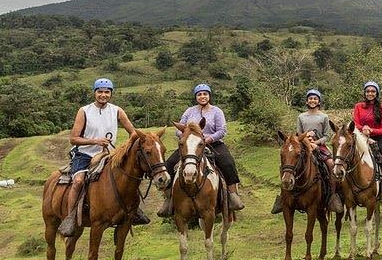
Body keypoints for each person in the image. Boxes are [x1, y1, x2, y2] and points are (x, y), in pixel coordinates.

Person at [58, 78, 149, 236]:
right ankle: (70, 217)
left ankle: (133, 210)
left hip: (109, 154)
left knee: (128, 177)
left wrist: (124, 147)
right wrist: (95, 140)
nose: (103, 95)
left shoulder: (117, 111)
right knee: (78, 181)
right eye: (100, 92)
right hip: (85, 154)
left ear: (111, 94)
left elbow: (133, 132)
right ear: (94, 93)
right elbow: (73, 138)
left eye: (107, 92)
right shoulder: (84, 111)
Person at [158, 83, 244, 217]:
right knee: (168, 164)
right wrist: (187, 137)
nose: (202, 96)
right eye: (199, 94)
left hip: (212, 143)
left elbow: (222, 130)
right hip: (191, 145)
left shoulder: (217, 111)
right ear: (195, 97)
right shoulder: (189, 111)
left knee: (228, 163)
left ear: (209, 96)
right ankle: (169, 199)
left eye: (205, 94)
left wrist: (208, 139)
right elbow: (178, 129)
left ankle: (233, 196)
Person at [271, 89, 344, 214]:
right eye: (310, 98)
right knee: (285, 166)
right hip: (303, 146)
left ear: (319, 101)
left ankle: (332, 197)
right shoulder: (301, 116)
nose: (313, 100)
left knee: (331, 164)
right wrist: (305, 140)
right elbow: (298, 133)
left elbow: (326, 135)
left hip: (319, 147)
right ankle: (283, 196)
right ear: (307, 101)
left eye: (315, 98)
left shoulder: (324, 117)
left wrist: (316, 143)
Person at [352, 81, 382, 207]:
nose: (370, 93)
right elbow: (355, 123)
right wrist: (363, 129)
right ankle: (343, 190)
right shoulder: (358, 106)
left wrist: (371, 130)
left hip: (378, 138)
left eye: (373, 91)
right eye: (368, 91)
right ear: (364, 93)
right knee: (346, 157)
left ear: (377, 93)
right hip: (360, 137)